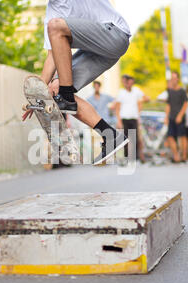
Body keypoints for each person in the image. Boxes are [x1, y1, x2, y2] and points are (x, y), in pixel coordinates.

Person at [22, 0, 131, 165]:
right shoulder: (52, 12)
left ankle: (67, 97)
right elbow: (53, 55)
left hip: (114, 34)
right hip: (98, 52)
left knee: (55, 26)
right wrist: (38, 95)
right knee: (54, 90)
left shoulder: (55, 22)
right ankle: (110, 135)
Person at [114, 74, 148, 162]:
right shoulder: (121, 92)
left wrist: (140, 100)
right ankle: (126, 155)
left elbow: (147, 98)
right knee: (125, 138)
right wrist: (119, 121)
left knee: (135, 137)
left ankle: (135, 156)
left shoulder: (136, 91)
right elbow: (117, 108)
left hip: (134, 118)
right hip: (124, 118)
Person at [164, 71, 188, 163]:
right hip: (171, 117)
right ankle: (176, 155)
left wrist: (180, 115)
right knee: (170, 136)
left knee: (182, 136)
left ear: (178, 79)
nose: (173, 80)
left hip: (180, 116)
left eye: (175, 78)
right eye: (172, 78)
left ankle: (184, 155)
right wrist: (166, 117)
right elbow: (168, 104)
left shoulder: (182, 91)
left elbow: (185, 103)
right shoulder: (170, 91)